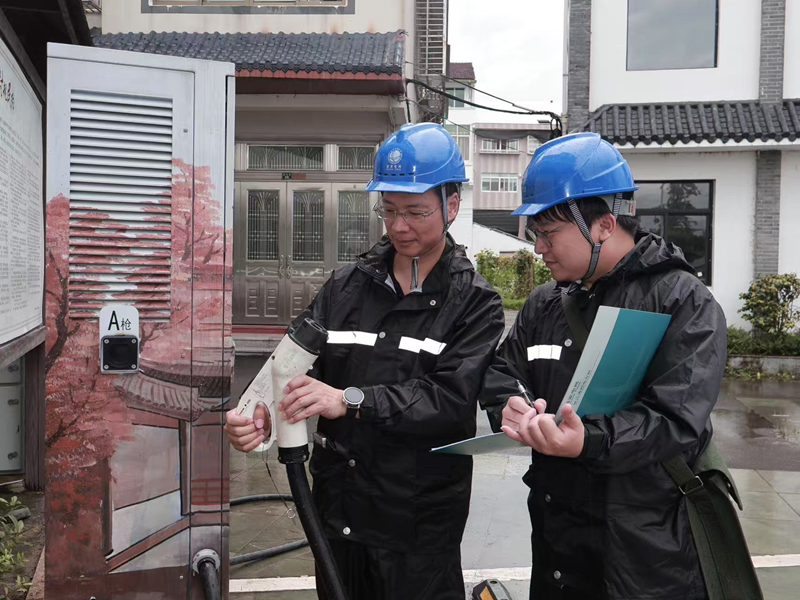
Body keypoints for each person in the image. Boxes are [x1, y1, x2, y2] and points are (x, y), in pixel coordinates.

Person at [225, 123, 505, 599]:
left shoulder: (475, 303)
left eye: (415, 212)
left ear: (452, 205)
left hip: (417, 524)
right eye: (389, 210)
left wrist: (350, 400)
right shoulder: (346, 286)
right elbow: (293, 365)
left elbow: (448, 400)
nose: (399, 226)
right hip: (340, 511)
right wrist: (261, 412)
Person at [479, 132, 728, 600]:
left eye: (549, 234)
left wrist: (588, 440)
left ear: (603, 225)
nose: (539, 248)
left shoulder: (681, 301)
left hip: (645, 549)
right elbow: (502, 369)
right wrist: (509, 405)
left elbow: (676, 418)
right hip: (558, 539)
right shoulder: (545, 304)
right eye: (535, 234)